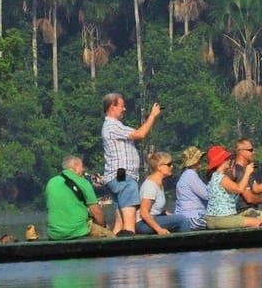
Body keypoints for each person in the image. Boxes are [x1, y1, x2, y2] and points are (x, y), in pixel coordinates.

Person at [101, 92, 162, 237]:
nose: (124, 109)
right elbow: (140, 134)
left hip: (118, 177)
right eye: (121, 106)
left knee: (120, 223)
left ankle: (112, 253)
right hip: (123, 177)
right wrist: (152, 116)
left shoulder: (113, 126)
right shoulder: (112, 126)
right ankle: (131, 255)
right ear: (112, 107)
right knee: (130, 224)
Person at [205, 145, 262, 229]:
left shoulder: (216, 176)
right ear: (220, 161)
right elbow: (239, 189)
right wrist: (247, 172)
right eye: (226, 158)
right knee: (258, 223)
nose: (229, 160)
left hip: (219, 217)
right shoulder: (221, 178)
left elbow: (255, 188)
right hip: (220, 219)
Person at [45, 155, 115, 240]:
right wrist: (104, 226)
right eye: (82, 166)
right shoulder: (83, 183)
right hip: (78, 231)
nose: (84, 169)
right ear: (76, 166)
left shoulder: (51, 182)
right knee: (110, 235)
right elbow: (97, 213)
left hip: (54, 234)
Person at [136, 152, 192, 235]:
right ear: (159, 167)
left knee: (181, 218)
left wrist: (170, 215)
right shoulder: (150, 186)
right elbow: (144, 213)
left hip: (154, 219)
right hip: (143, 224)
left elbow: (156, 210)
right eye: (169, 164)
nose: (172, 166)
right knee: (182, 220)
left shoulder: (159, 183)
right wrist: (159, 230)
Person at [174, 146, 209, 230]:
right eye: (199, 158)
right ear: (195, 161)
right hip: (193, 218)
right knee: (217, 223)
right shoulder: (190, 175)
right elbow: (207, 195)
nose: (201, 161)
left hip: (188, 216)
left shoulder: (187, 174)